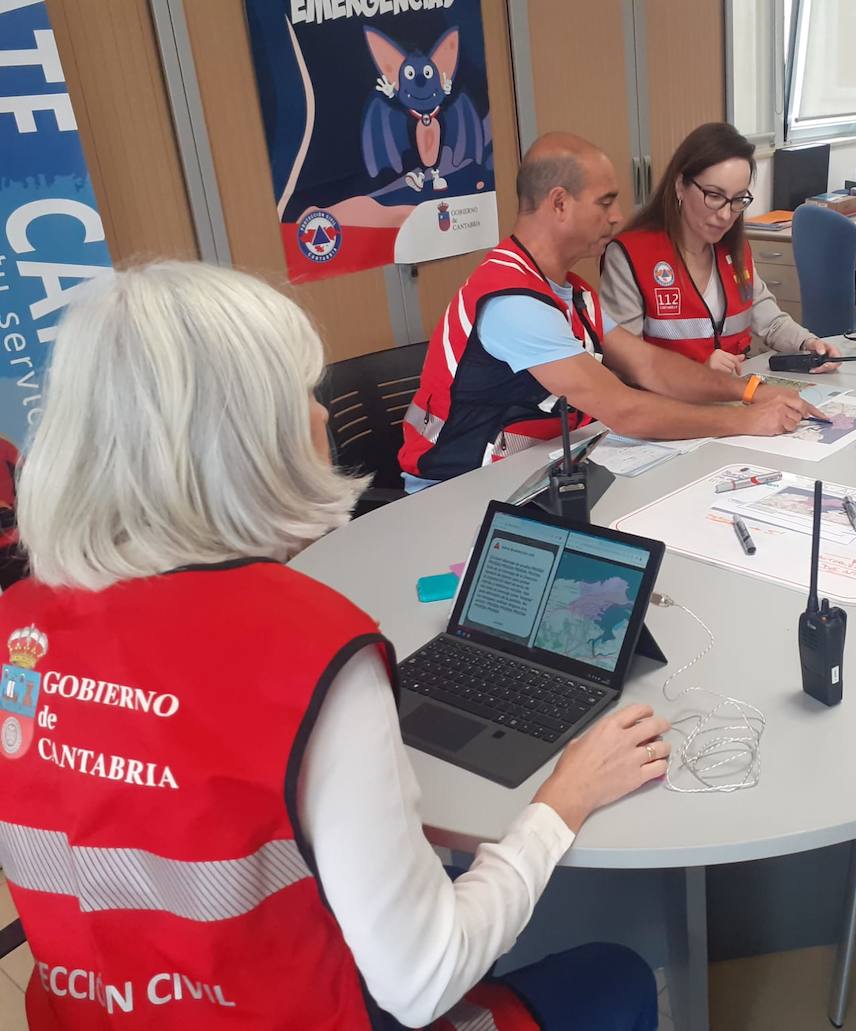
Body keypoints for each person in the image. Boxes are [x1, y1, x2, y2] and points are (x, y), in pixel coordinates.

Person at [1, 262, 665, 1030]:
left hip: (93, 1012)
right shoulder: (311, 653)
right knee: (614, 978)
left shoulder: (18, 622)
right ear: (241, 439)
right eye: (305, 396)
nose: (322, 420)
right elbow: (424, 978)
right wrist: (564, 799)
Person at [398, 131, 824, 490]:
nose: (618, 216)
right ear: (560, 203)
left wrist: (748, 392)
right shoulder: (514, 302)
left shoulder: (571, 291)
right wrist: (747, 420)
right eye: (605, 202)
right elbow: (625, 409)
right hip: (454, 492)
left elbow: (651, 367)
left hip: (532, 473)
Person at [600, 121, 842, 376]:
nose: (726, 215)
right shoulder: (631, 256)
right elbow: (622, 363)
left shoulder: (734, 250)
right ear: (680, 185)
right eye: (714, 196)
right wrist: (696, 374)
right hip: (665, 406)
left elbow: (770, 321)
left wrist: (809, 343)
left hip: (730, 397)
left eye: (738, 199)